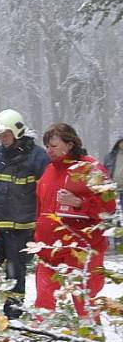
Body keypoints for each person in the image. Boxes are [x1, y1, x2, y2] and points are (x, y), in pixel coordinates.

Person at [34, 124, 116, 317]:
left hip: (82, 251)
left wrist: (80, 203)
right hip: (49, 250)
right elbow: (41, 209)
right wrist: (38, 237)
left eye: (53, 145)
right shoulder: (48, 172)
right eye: (46, 146)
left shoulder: (90, 169)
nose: (48, 150)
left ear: (70, 144)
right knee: (43, 306)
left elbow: (109, 206)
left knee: (85, 306)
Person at [0, 109, 49, 318]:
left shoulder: (38, 158)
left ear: (18, 132)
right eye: (0, 136)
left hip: (22, 229)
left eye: (5, 135)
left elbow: (46, 194)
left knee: (15, 272)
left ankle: (14, 315)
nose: (2, 139)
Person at [103, 136, 123, 210]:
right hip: (111, 189)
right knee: (110, 211)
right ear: (118, 143)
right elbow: (104, 172)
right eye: (122, 142)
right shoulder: (109, 156)